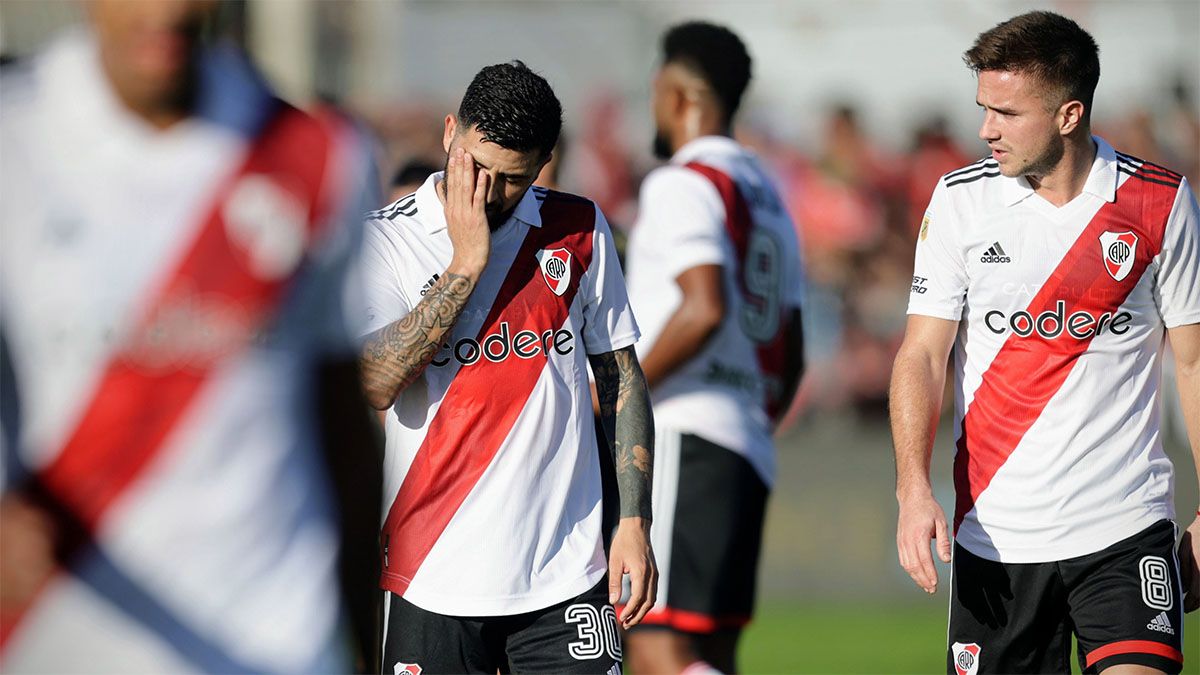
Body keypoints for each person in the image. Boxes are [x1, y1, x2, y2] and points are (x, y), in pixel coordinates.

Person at [0, 1, 383, 672]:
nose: (167, 8)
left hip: (276, 644)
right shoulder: (15, 140)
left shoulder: (320, 157)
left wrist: (377, 645)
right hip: (64, 642)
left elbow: (343, 433)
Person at [890, 11, 1199, 675]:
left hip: (1125, 528)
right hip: (996, 540)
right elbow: (920, 355)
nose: (985, 129)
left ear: (1068, 114)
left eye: (1006, 112)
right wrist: (912, 489)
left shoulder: (1161, 203)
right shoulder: (958, 202)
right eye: (983, 108)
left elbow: (1194, 361)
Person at [357, 60, 656, 674]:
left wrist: (633, 520)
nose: (488, 192)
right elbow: (377, 381)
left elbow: (621, 376)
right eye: (476, 166)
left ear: (544, 163)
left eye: (512, 179)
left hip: (566, 571)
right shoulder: (383, 241)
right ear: (449, 134)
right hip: (430, 571)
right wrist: (467, 263)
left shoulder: (579, 228)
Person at [621, 21, 806, 675]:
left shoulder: (682, 182)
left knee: (653, 646)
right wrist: (749, 409)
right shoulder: (772, 198)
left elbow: (702, 307)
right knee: (712, 650)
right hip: (745, 441)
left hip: (680, 433)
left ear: (678, 94)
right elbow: (794, 347)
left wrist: (620, 393)